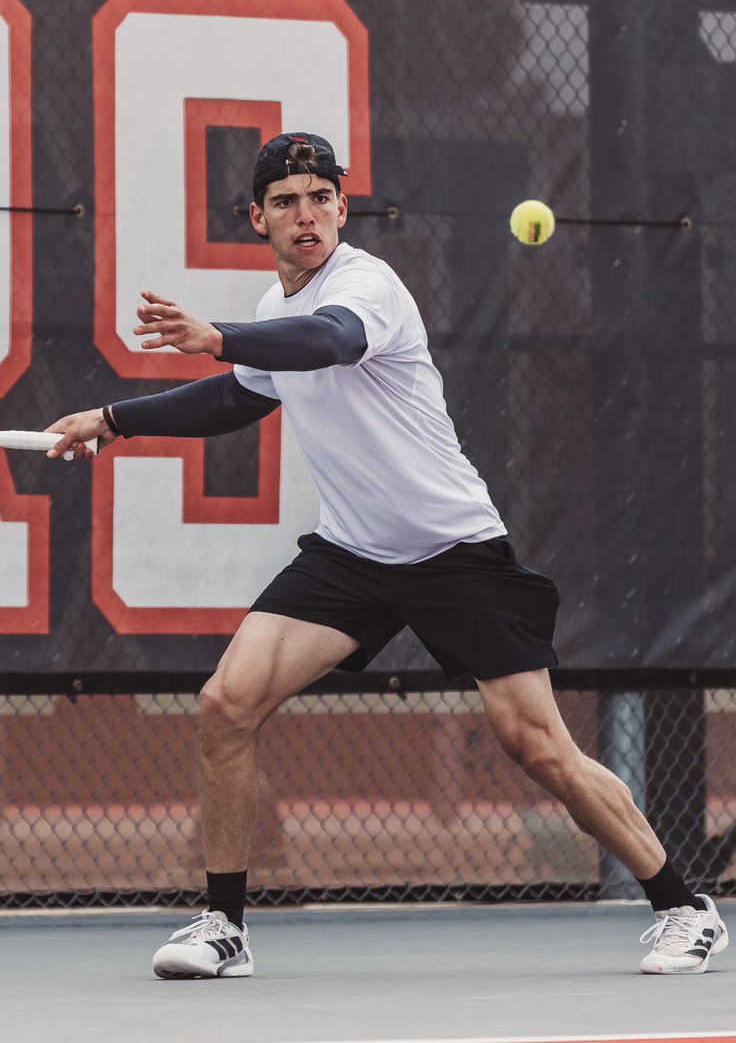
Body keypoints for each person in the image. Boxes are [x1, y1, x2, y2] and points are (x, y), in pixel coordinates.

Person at [45, 132, 729, 979]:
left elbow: (326, 342)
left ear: (343, 206)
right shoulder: (271, 307)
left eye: (321, 195)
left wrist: (217, 334)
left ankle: (684, 908)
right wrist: (115, 420)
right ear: (255, 217)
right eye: (286, 200)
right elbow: (240, 395)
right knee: (227, 702)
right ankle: (223, 926)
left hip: (452, 550)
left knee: (536, 745)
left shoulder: (366, 286)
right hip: (353, 554)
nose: (307, 213)